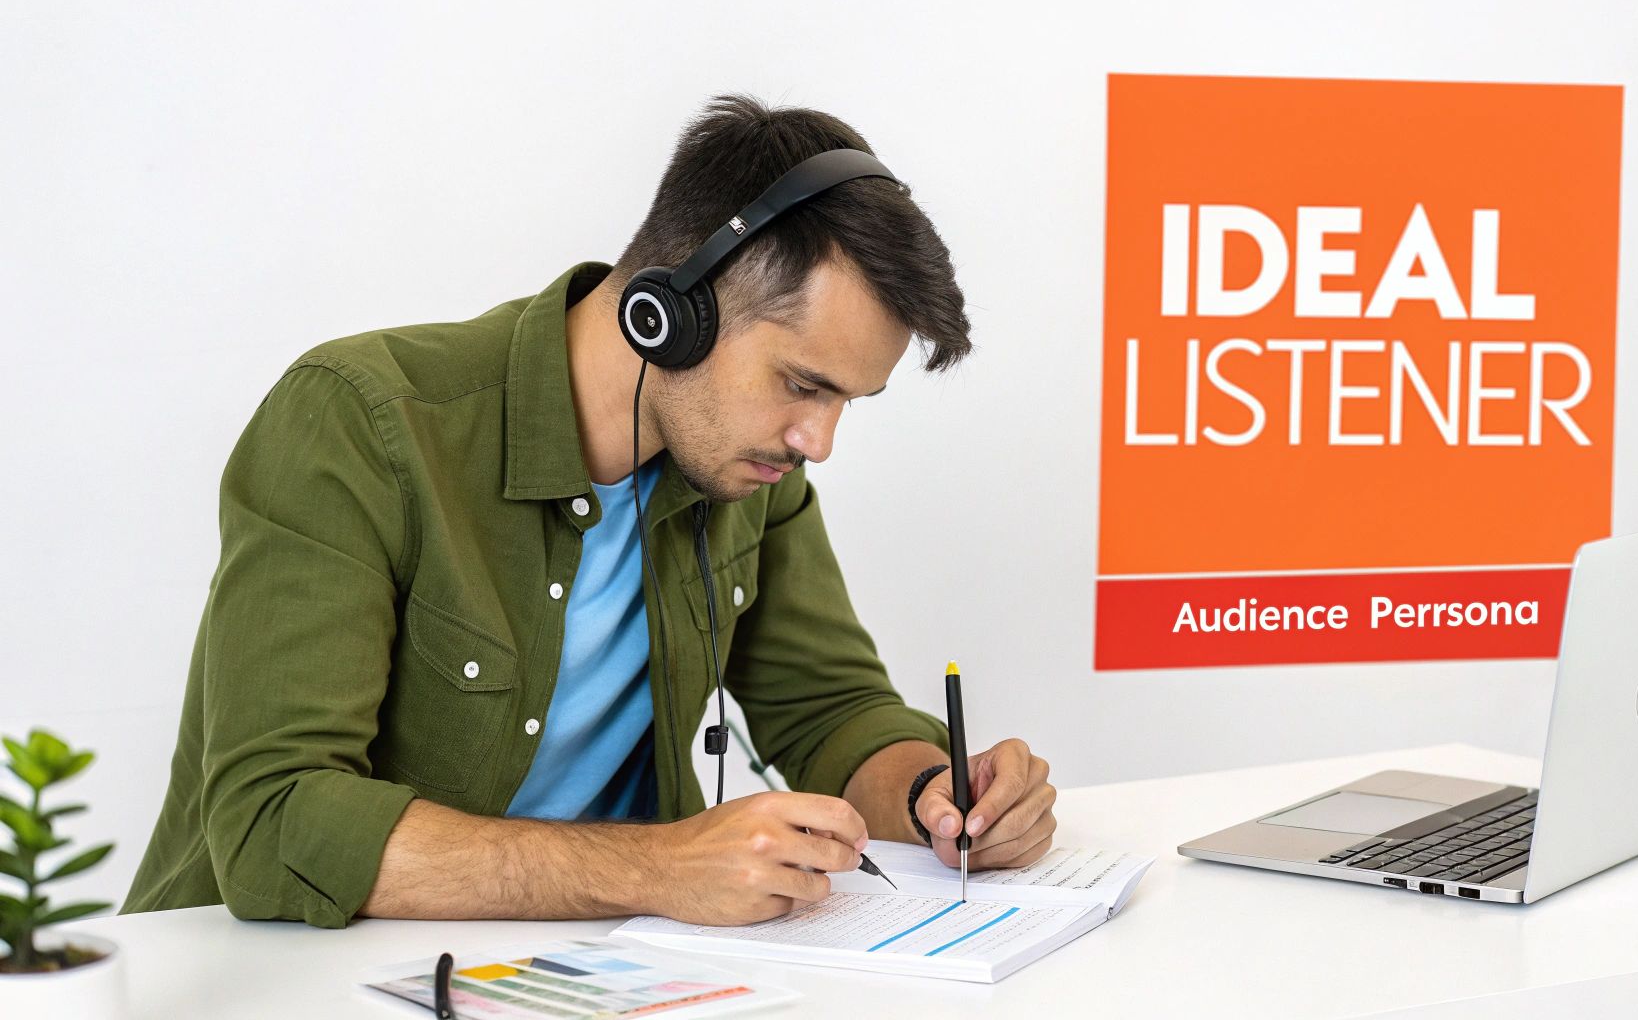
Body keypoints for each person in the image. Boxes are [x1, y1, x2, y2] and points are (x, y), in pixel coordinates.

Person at [122, 94, 1057, 929]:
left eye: (847, 400)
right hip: (289, 974)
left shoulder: (747, 469)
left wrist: (937, 797)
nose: (818, 441)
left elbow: (829, 710)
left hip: (601, 969)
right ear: (671, 313)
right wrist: (657, 867)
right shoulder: (361, 421)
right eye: (802, 384)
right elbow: (274, 819)